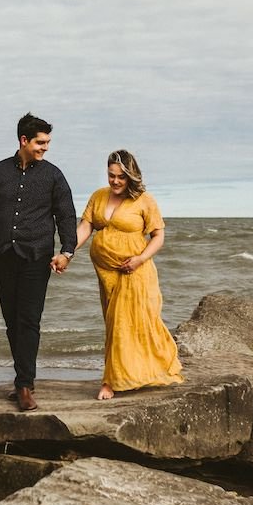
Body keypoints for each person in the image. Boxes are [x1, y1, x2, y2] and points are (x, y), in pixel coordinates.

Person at [0, 113, 78, 411]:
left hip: (37, 257)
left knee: (29, 320)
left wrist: (67, 251)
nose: (45, 148)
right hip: (3, 255)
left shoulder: (53, 175)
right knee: (12, 322)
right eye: (40, 142)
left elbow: (66, 215)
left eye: (47, 142)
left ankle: (25, 385)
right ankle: (22, 378)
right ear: (24, 140)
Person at [75, 149, 184, 400]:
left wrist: (139, 259)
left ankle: (110, 382)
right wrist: (68, 252)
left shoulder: (144, 200)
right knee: (114, 324)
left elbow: (158, 236)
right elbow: (86, 226)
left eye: (121, 177)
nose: (115, 181)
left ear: (131, 176)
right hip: (107, 273)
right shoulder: (99, 196)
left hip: (135, 270)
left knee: (125, 324)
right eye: (111, 175)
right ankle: (129, 374)